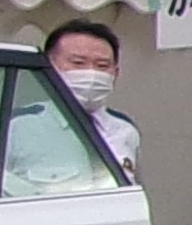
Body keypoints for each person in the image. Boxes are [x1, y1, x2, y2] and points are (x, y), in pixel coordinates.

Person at [45, 18, 144, 178]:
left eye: (102, 65)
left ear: (115, 73)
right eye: (78, 62)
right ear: (49, 66)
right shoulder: (15, 127)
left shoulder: (125, 129)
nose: (91, 73)